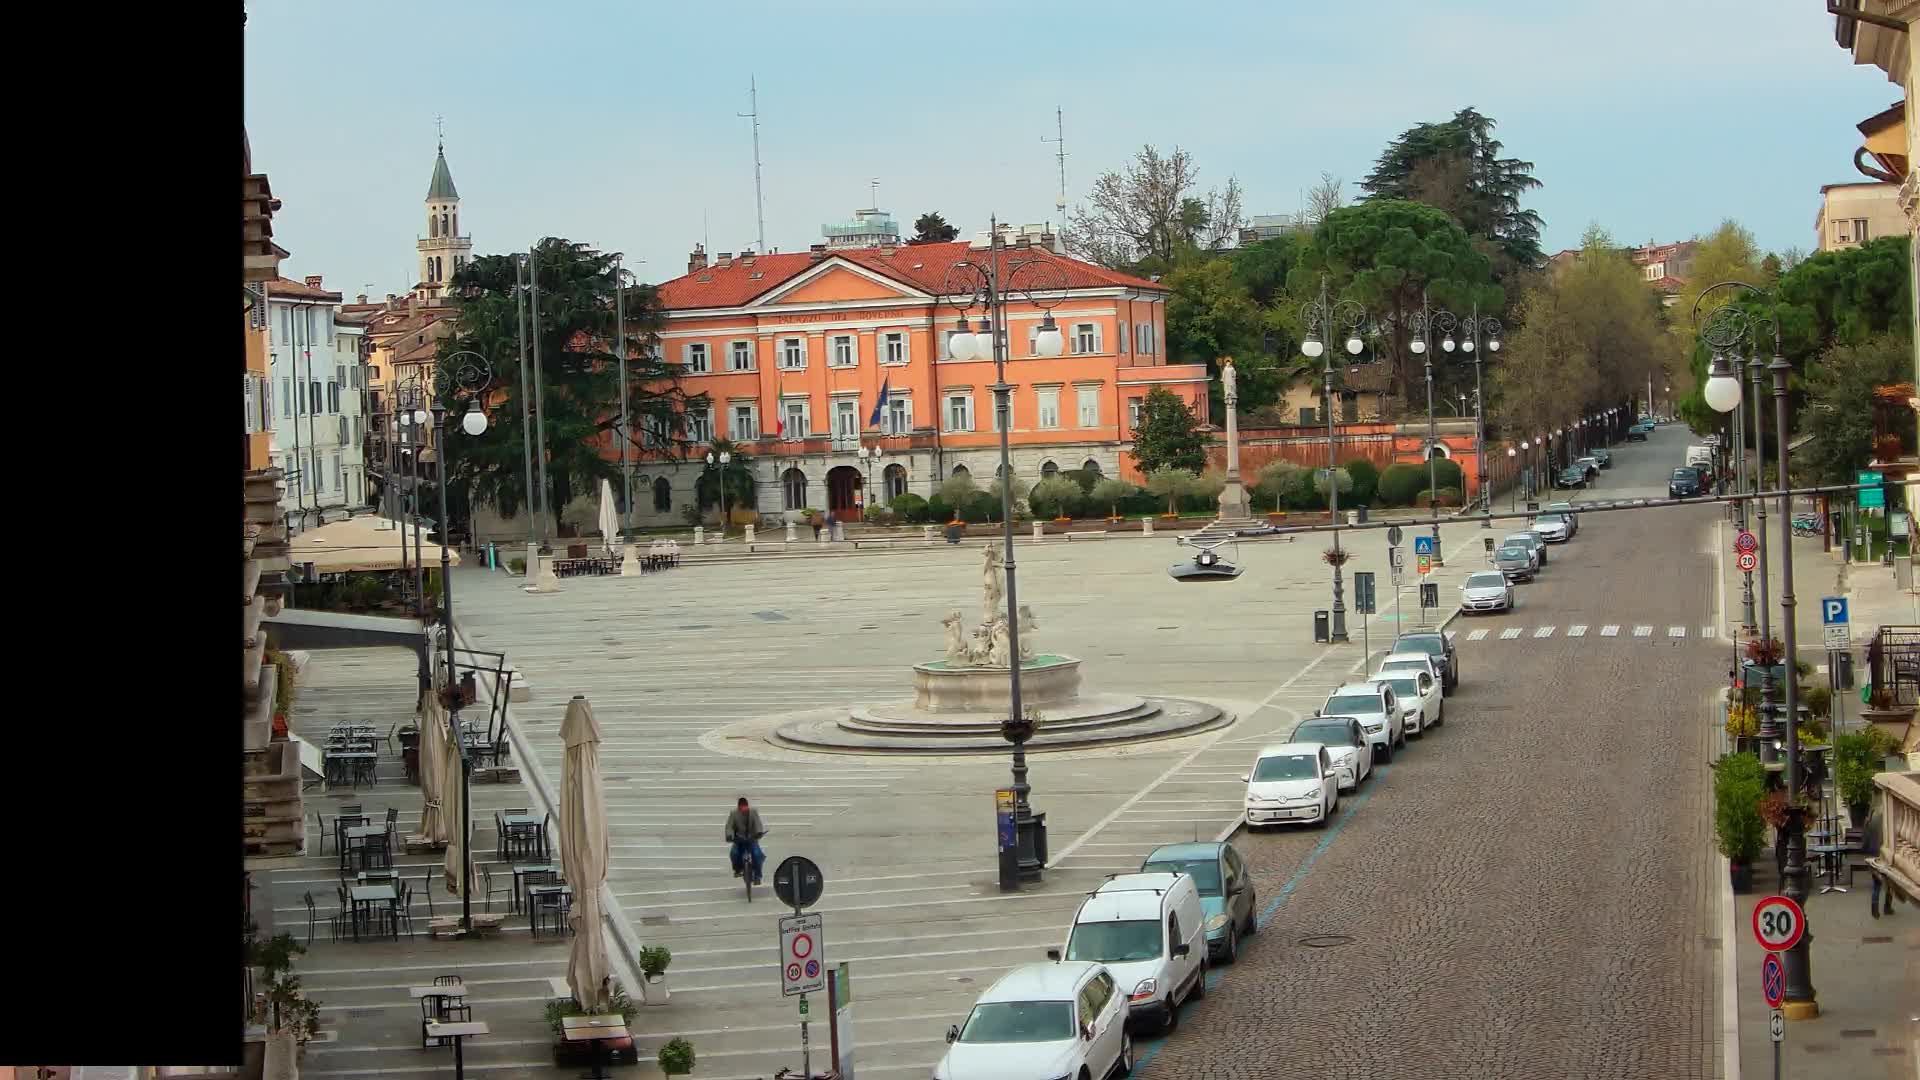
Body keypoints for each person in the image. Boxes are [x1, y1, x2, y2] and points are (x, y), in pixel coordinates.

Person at [725, 796, 766, 885]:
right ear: (739, 807)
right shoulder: (734, 814)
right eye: (742, 807)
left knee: (757, 854)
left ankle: (757, 876)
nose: (744, 809)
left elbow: (758, 823)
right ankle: (737, 869)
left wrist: (759, 832)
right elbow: (729, 826)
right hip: (739, 839)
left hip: (752, 838)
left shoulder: (753, 812)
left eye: (745, 807)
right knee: (734, 853)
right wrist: (729, 835)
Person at [1864, 807, 1895, 918]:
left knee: (1876, 884)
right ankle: (1887, 907)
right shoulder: (1888, 821)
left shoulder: (1871, 818)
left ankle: (1875, 910)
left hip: (1873, 855)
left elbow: (1865, 840)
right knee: (1890, 883)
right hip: (1885, 855)